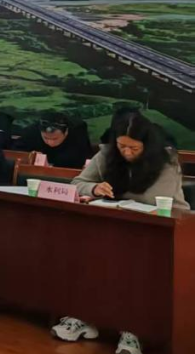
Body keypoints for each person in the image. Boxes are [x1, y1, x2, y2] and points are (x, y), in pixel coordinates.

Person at [53, 110, 188, 354]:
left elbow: (153, 200)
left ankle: (133, 329)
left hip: (164, 228)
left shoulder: (166, 160)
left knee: (134, 265)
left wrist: (116, 192)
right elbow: (77, 183)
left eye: (133, 148)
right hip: (116, 224)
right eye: (122, 146)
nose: (126, 152)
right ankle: (86, 316)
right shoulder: (107, 153)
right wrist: (95, 189)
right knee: (84, 255)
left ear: (147, 145)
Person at [14, 111, 93, 168]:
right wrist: (30, 156)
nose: (50, 143)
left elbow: (85, 158)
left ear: (66, 132)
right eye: (46, 138)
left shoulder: (78, 132)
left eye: (55, 138)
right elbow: (16, 151)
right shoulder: (32, 131)